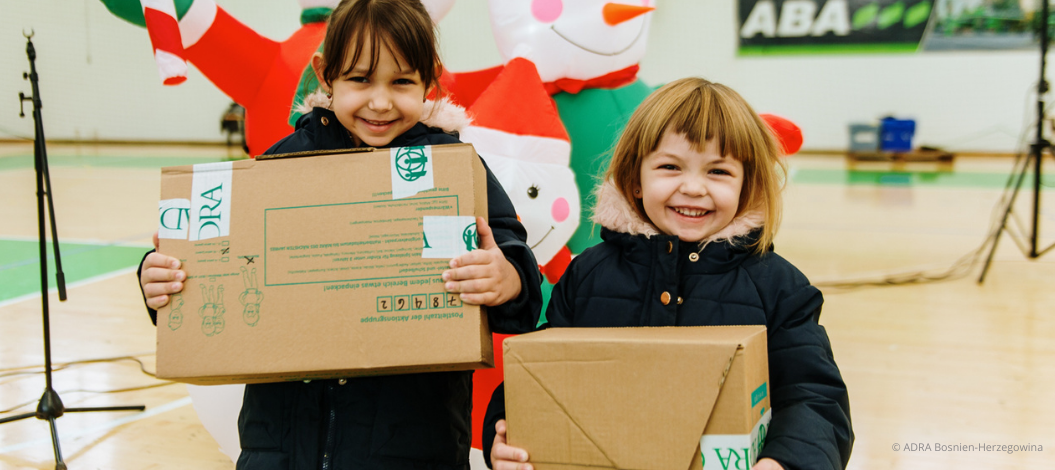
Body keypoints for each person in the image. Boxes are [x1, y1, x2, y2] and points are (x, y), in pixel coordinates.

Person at [138, 0, 543, 468]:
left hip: (411, 448)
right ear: (325, 74)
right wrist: (161, 279)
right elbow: (219, 265)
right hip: (283, 448)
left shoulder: (451, 169)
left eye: (402, 82)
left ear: (431, 80)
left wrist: (507, 279)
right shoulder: (284, 163)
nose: (380, 101)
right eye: (360, 79)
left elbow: (518, 275)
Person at [484, 77, 853, 470]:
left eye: (718, 172)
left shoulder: (780, 286)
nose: (693, 187)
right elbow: (542, 374)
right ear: (635, 181)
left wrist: (784, 462)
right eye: (670, 167)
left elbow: (815, 397)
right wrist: (503, 436)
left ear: (747, 186)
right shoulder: (588, 274)